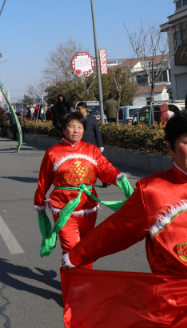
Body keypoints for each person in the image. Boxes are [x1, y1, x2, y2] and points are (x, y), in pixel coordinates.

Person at [62, 110, 187, 328]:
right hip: (179, 306)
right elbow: (115, 230)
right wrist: (75, 257)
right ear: (171, 149)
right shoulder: (153, 191)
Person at [34, 112, 127, 306]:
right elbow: (43, 179)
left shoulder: (92, 150)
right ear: (63, 129)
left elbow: (105, 169)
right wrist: (40, 201)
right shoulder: (53, 152)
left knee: (87, 248)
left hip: (88, 207)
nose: (76, 130)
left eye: (80, 127)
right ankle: (73, 290)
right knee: (71, 248)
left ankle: (85, 284)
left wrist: (118, 177)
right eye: (72, 126)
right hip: (63, 207)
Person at [76, 102, 107, 187]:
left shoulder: (92, 118)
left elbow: (97, 132)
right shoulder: (75, 119)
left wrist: (100, 145)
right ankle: (84, 182)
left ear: (85, 109)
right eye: (77, 109)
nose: (77, 111)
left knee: (97, 164)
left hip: (91, 145)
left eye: (79, 109)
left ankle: (104, 180)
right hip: (80, 146)